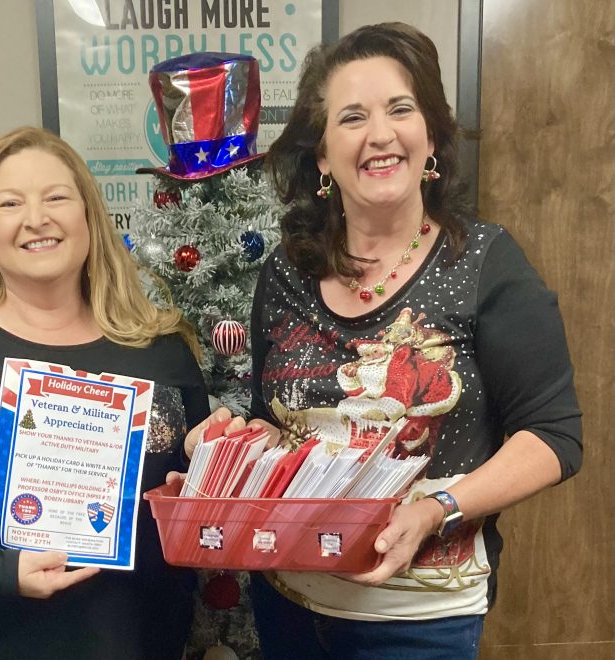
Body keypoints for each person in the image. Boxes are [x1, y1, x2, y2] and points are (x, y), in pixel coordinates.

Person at [247, 22, 582, 659]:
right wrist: (240, 441)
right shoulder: (284, 275)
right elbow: (272, 420)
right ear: (322, 156)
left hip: (418, 619)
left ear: (430, 136)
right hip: (286, 600)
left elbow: (553, 436)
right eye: (352, 117)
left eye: (401, 109)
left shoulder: (485, 263)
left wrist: (438, 507)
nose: (379, 134)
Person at [0, 126, 240, 660]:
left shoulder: (159, 348)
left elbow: (185, 497)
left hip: (142, 641)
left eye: (56, 197)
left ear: (88, 216)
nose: (36, 218)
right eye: (10, 202)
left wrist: (207, 462)